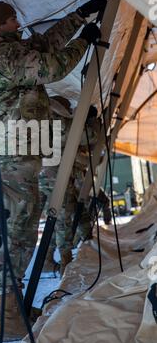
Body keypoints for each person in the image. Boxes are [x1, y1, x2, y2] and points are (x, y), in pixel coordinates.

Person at [0, 0, 105, 341]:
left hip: (20, 148)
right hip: (10, 150)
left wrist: (78, 17)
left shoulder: (6, 48)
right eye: (12, 19)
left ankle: (13, 309)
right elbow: (50, 67)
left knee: (24, 224)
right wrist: (85, 42)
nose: (18, 23)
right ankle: (8, 315)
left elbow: (44, 43)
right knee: (16, 230)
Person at [39, 99, 100, 275]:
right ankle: (66, 264)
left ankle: (48, 260)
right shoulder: (59, 122)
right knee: (62, 220)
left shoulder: (41, 119)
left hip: (43, 177)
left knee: (56, 220)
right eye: (67, 108)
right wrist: (94, 122)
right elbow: (90, 136)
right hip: (57, 178)